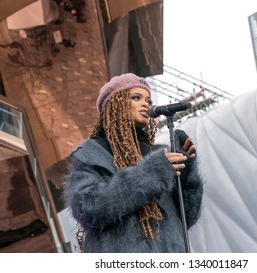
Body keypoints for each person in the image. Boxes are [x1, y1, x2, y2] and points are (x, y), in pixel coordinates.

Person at [63, 73, 203, 253]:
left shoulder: (159, 153)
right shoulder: (92, 154)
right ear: (115, 103)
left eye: (149, 100)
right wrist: (152, 172)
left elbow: (187, 217)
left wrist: (187, 171)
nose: (146, 104)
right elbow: (88, 209)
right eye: (136, 98)